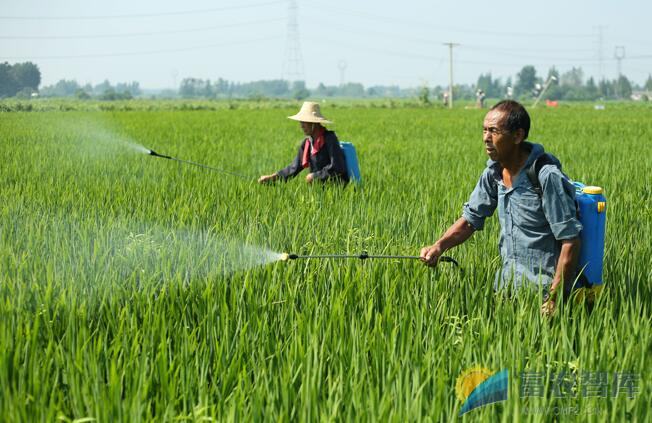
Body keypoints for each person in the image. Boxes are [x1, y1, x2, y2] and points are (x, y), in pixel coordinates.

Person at [419, 100, 582, 316]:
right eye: (484, 130)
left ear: (517, 136)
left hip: (543, 294)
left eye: (494, 131)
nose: (486, 138)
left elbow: (570, 241)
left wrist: (553, 299)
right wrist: (439, 246)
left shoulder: (545, 177)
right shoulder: (494, 174)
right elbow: (470, 220)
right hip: (506, 290)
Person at [258, 102, 349, 184]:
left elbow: (338, 167)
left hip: (337, 190)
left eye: (304, 122)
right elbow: (294, 168)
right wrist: (273, 177)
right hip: (319, 191)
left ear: (314, 123)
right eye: (301, 122)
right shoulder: (307, 144)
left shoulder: (330, 138)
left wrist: (315, 176)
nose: (301, 125)